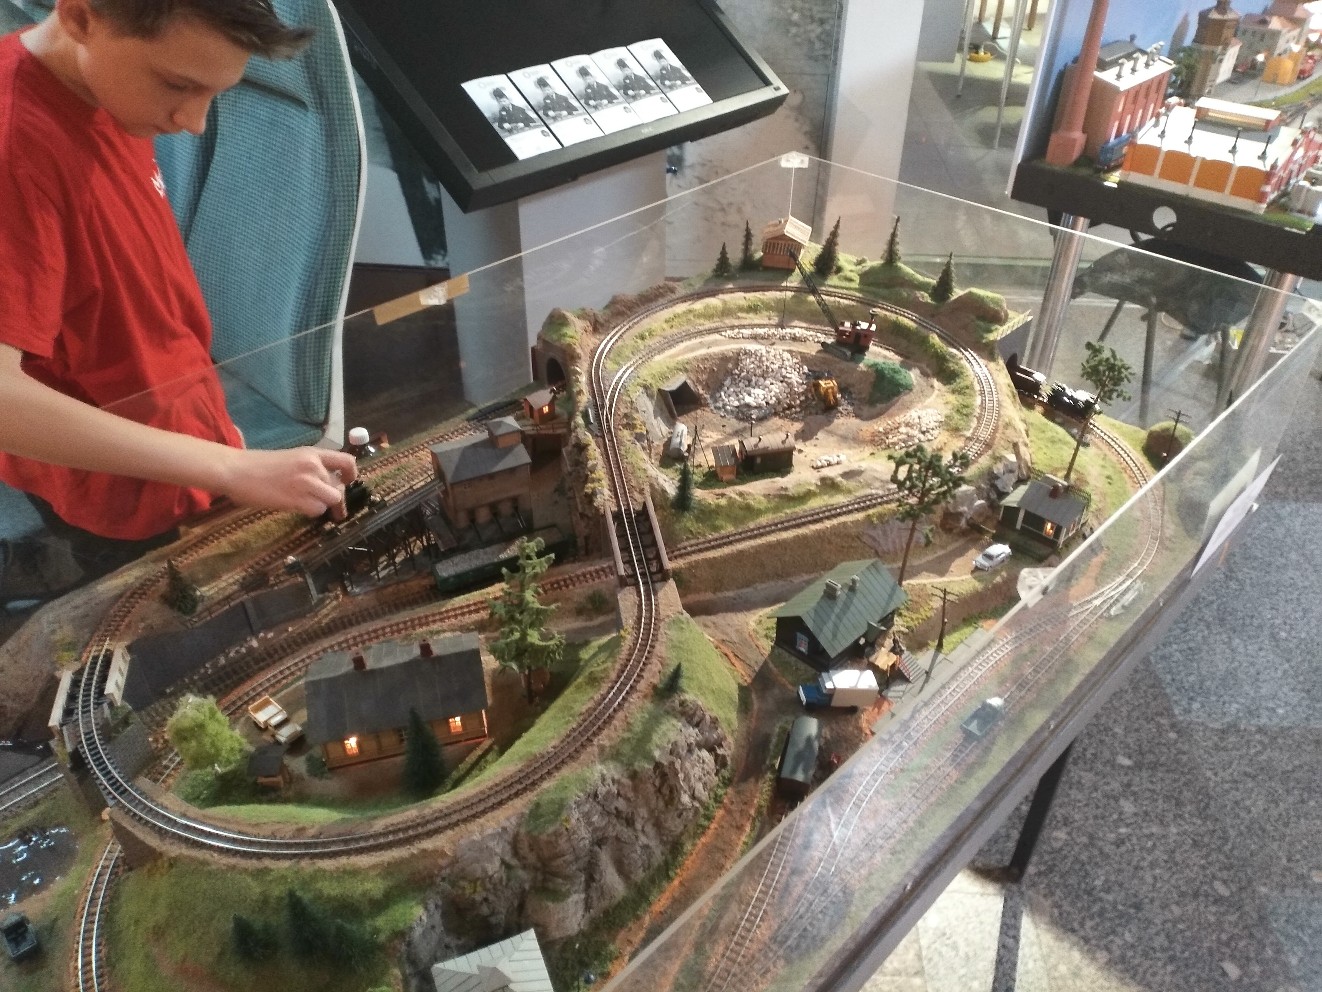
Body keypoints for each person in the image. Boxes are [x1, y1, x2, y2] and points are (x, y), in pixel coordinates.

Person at [0, 0, 358, 593]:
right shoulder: (17, 149)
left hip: (180, 446)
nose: (194, 122)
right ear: (82, 17)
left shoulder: (108, 92)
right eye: (179, 85)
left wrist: (220, 447)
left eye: (215, 93)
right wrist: (230, 466)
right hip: (116, 490)